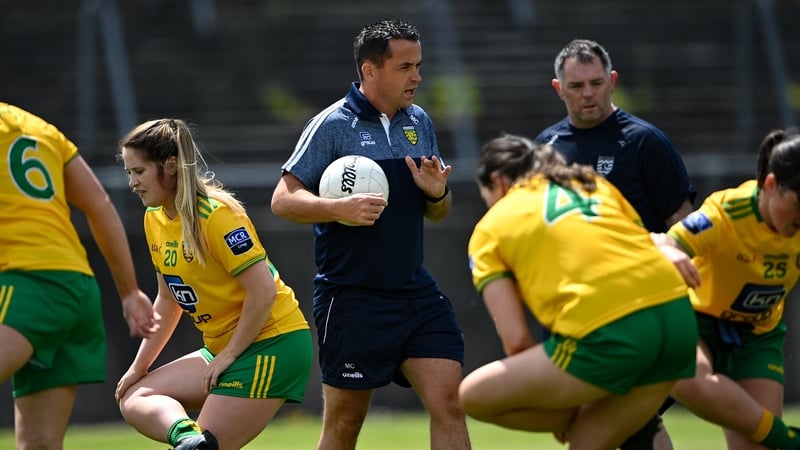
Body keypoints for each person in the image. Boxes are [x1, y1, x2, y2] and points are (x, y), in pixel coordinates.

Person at [270, 19, 471, 450]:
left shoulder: (419, 122)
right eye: (405, 67)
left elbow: (438, 213)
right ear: (370, 70)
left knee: (451, 403)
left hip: (415, 294)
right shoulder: (331, 125)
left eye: (418, 65)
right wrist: (336, 208)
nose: (417, 76)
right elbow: (282, 200)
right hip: (352, 298)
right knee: (344, 425)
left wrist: (438, 194)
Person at [460, 133, 698, 450]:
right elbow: (642, 239)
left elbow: (516, 340)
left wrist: (557, 409)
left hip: (612, 332)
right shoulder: (591, 183)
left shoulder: (490, 227)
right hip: (678, 323)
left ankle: (569, 417)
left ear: (498, 182)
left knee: (473, 396)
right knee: (589, 442)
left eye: (485, 195)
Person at [534, 38, 697, 449]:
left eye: (596, 82)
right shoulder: (546, 149)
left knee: (626, 421)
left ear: (612, 81)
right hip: (577, 309)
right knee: (628, 426)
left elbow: (684, 226)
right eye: (576, 86)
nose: (588, 93)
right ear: (558, 89)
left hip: (642, 308)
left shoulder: (644, 142)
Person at [115, 118, 313, 450]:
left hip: (272, 344)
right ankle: (189, 439)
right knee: (136, 396)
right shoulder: (154, 218)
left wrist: (229, 355)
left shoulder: (217, 215)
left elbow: (263, 291)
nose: (132, 182)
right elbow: (168, 299)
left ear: (171, 166)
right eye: (129, 173)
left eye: (139, 171)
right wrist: (139, 367)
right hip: (225, 349)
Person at [0, 102, 159, 450]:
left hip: (26, 283)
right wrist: (130, 291)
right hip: (75, 288)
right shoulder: (39, 127)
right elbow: (99, 203)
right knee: (40, 444)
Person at [652, 128, 800, 450]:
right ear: (771, 185)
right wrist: (668, 250)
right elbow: (666, 241)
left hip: (757, 335)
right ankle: (787, 438)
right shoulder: (728, 212)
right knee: (686, 375)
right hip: (697, 321)